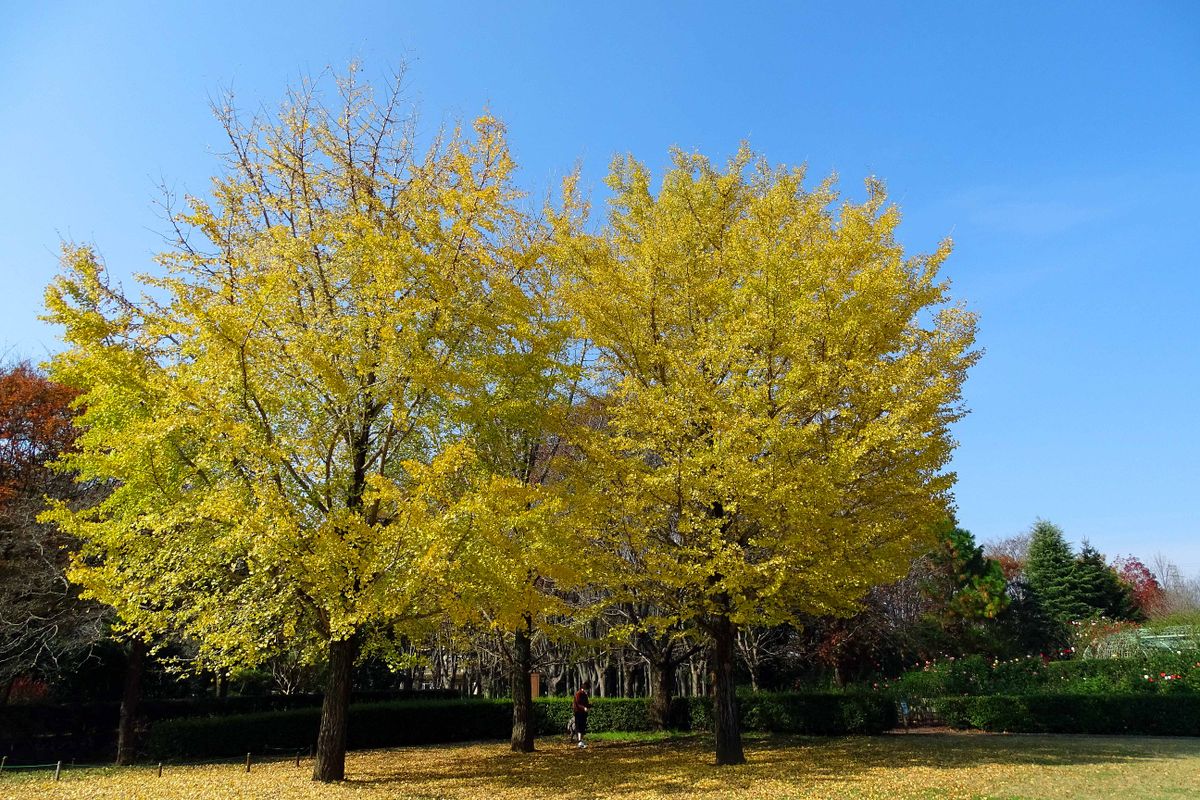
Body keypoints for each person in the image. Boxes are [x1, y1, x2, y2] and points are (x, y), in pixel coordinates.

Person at [572, 681, 592, 748]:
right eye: (587, 689)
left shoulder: (585, 695)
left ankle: (581, 741)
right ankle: (579, 741)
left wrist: (590, 706)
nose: (588, 691)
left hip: (584, 713)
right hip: (578, 712)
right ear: (584, 688)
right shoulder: (578, 694)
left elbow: (586, 703)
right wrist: (584, 708)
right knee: (579, 727)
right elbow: (578, 703)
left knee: (583, 727)